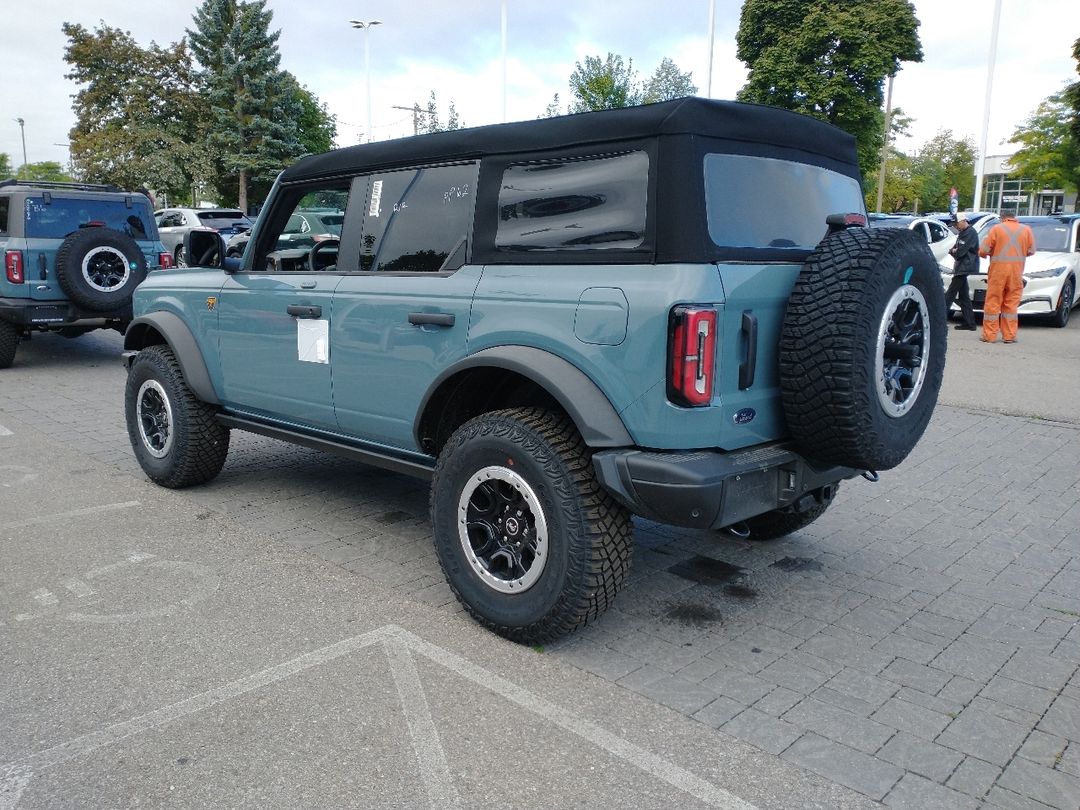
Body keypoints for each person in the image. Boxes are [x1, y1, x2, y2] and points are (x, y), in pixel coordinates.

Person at [978, 210, 1035, 344]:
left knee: (993, 302)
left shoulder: (996, 229)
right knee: (1011, 304)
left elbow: (983, 251)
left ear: (1002, 218)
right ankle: (1009, 336)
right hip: (1016, 272)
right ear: (1014, 217)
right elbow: (1031, 251)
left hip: (998, 272)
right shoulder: (1026, 230)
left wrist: (990, 252)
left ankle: (989, 336)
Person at [945, 212, 979, 330]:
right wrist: (954, 251)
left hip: (964, 267)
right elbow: (955, 250)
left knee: (950, 293)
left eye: (956, 224)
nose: (955, 226)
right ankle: (970, 323)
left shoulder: (969, 233)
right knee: (964, 296)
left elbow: (959, 252)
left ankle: (939, 317)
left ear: (963, 221)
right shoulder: (964, 233)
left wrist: (954, 251)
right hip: (962, 267)